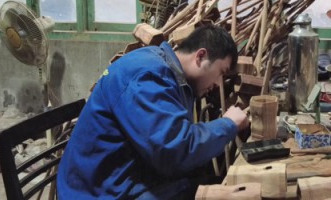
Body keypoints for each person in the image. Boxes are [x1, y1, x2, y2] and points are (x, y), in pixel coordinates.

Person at [57, 24, 249, 199]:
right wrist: (228, 124)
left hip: (124, 180)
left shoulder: (166, 71)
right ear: (200, 56)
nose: (217, 84)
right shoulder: (148, 77)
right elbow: (174, 151)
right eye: (220, 72)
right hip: (99, 193)